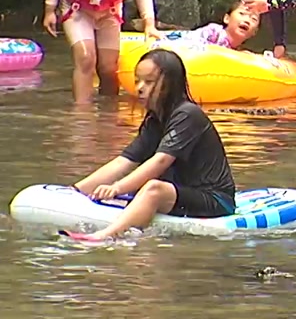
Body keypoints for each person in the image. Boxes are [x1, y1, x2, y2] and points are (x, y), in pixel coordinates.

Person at [61, 48, 236, 242]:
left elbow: (160, 161)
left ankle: (104, 237)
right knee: (144, 186)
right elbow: (124, 161)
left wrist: (117, 188)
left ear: (170, 84)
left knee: (153, 188)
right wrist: (75, 191)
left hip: (215, 199)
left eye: (149, 81)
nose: (140, 88)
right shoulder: (156, 119)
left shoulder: (187, 115)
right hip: (180, 192)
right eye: (137, 80)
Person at [187, 0, 260, 50]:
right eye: (242, 13)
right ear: (227, 18)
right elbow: (191, 40)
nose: (247, 20)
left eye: (253, 19)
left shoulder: (241, 52)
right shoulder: (214, 31)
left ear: (255, 32)